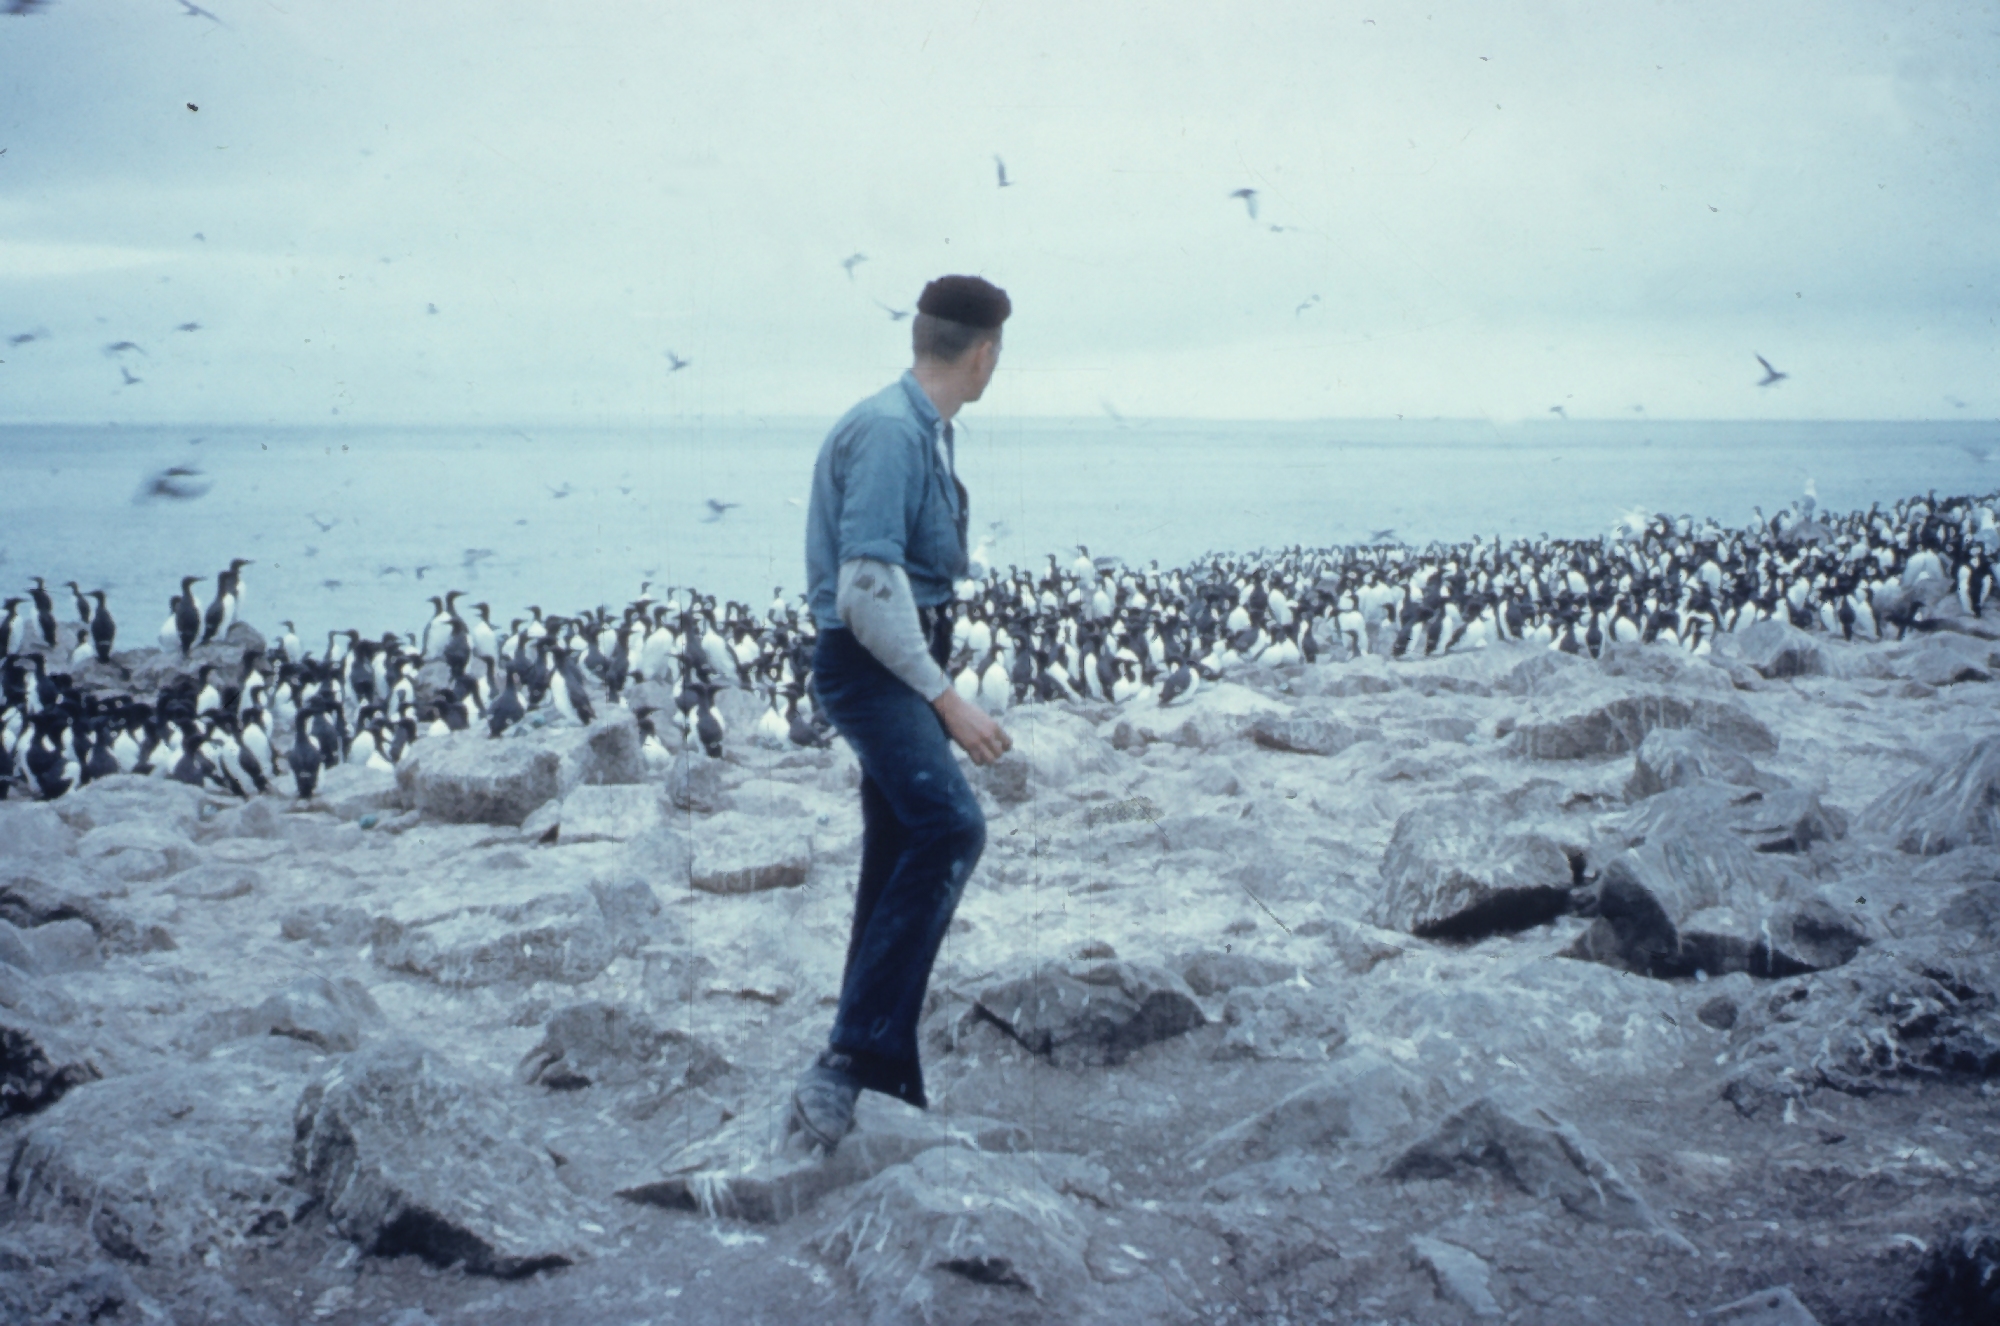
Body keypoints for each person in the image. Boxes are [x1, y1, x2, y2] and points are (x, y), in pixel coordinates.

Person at [787, 274, 1015, 1151]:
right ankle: (851, 1055)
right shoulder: (891, 433)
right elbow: (867, 591)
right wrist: (946, 698)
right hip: (871, 662)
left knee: (901, 841)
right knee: (952, 829)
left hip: (893, 656)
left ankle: (886, 1063)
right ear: (984, 353)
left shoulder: (923, 427)